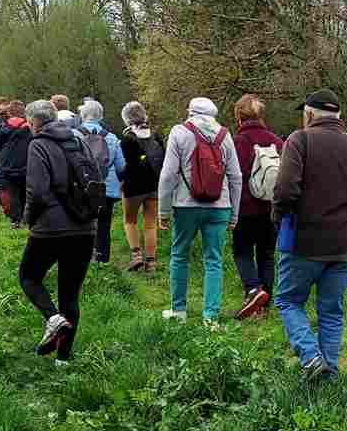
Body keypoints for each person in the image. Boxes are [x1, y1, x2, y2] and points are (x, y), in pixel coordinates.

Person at [272, 89, 347, 378]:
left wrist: (278, 218)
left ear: (309, 114)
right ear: (339, 116)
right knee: (331, 311)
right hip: (345, 244)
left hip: (303, 241)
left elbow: (285, 189)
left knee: (289, 301)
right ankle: (329, 374)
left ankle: (312, 358)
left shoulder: (299, 140)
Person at [22, 99, 97, 363]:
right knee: (70, 294)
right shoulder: (79, 139)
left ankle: (53, 319)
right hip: (84, 227)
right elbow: (94, 177)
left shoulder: (38, 145)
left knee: (29, 278)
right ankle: (63, 360)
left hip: (50, 230)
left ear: (33, 122)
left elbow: (38, 192)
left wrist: (28, 219)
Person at [157, 97, 243, 322]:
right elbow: (236, 176)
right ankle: (211, 317)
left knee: (179, 255)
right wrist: (235, 213)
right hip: (220, 206)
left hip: (186, 206)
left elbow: (167, 175)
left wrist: (163, 211)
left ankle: (179, 311)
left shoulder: (179, 132)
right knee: (214, 260)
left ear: (190, 112)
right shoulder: (225, 135)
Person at [231, 94, 284, 319]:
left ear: (239, 117)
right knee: (267, 255)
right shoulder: (277, 141)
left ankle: (254, 290)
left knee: (242, 252)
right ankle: (264, 305)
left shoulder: (238, 141)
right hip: (270, 208)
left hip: (244, 208)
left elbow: (233, 176)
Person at [78, 100, 127, 264]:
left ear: (82, 115)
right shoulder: (112, 137)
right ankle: (102, 259)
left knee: (82, 224)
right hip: (107, 188)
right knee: (104, 225)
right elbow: (121, 167)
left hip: (82, 188)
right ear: (101, 116)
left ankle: (83, 258)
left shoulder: (74, 135)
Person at [119, 101, 163, 272]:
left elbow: (124, 166)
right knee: (151, 224)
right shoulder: (156, 137)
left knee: (130, 221)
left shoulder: (127, 140)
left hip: (133, 187)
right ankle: (151, 262)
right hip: (154, 185)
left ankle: (136, 256)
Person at [0, 101, 34, 227]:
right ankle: (26, 217)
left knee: (12, 192)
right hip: (26, 165)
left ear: (9, 113)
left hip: (7, 166)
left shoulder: (3, 127)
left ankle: (15, 220)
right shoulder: (31, 128)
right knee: (25, 191)